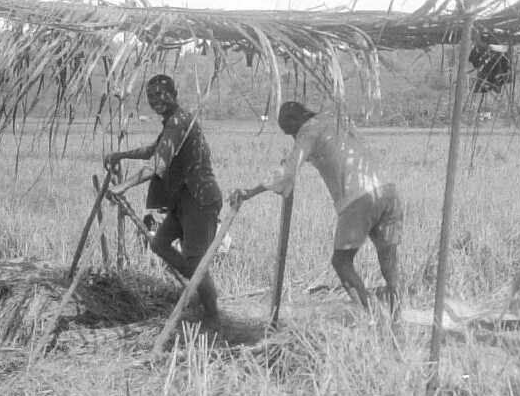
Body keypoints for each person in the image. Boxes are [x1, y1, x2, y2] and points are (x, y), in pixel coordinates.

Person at [230, 101, 402, 317]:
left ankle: (372, 316)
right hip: (388, 190)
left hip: (359, 197)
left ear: (294, 122)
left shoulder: (307, 130)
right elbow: (333, 151)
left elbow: (287, 172)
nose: (293, 137)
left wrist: (250, 192)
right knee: (389, 260)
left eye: (290, 131)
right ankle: (397, 315)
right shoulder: (336, 119)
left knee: (341, 262)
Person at [104, 74, 224, 331]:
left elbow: (158, 164)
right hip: (183, 200)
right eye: (151, 96)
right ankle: (201, 288)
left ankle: (213, 316)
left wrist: (124, 186)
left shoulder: (179, 121)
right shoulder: (172, 123)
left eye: (161, 94)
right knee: (159, 244)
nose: (156, 100)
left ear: (174, 93)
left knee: (196, 262)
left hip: (200, 199)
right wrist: (121, 155)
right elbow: (154, 150)